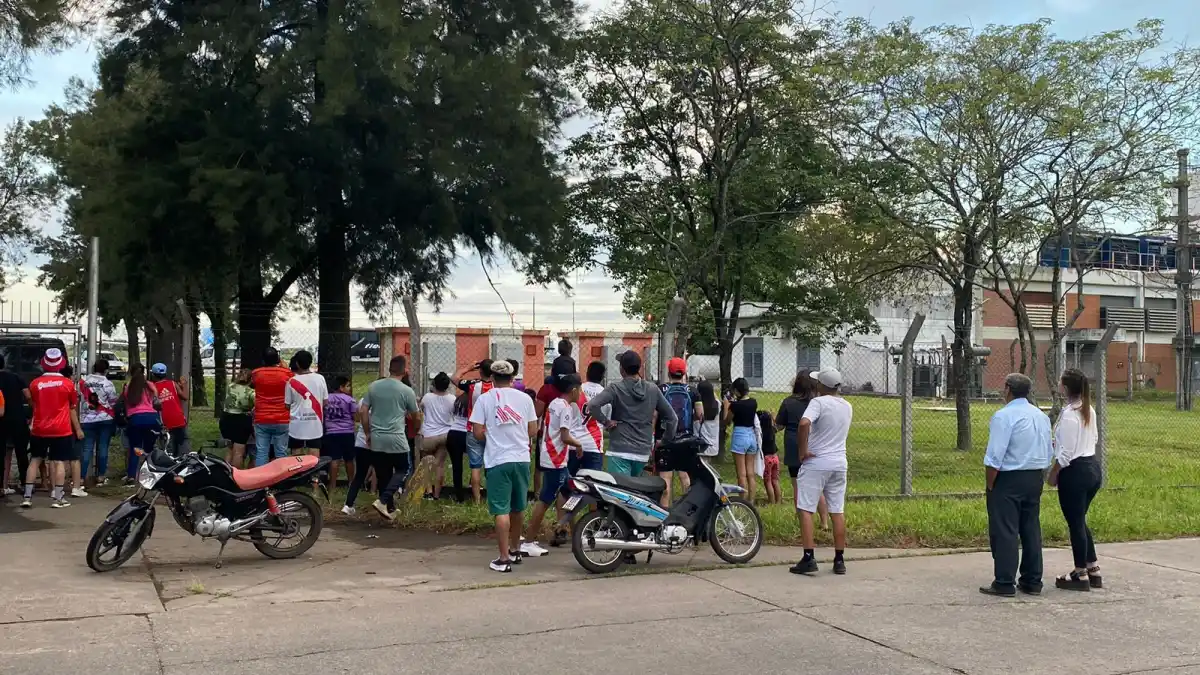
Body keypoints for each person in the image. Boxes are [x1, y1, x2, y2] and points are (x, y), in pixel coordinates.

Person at [979, 372, 1053, 597]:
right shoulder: (1041, 416)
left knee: (1005, 530)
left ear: (1007, 388)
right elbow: (1049, 450)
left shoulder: (1004, 416)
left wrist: (991, 485)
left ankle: (1004, 581)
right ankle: (1032, 580)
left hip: (1009, 478)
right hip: (1034, 476)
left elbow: (994, 455)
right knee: (1030, 528)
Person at [468, 359, 537, 573]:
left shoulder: (484, 399)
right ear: (513, 377)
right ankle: (515, 550)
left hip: (498, 459)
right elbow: (533, 430)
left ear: (491, 378)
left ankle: (503, 557)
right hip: (522, 458)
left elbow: (477, 432)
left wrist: (493, 434)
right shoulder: (525, 398)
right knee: (518, 507)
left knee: (501, 509)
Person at [790, 369, 852, 576]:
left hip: (817, 462)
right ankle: (839, 559)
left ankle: (808, 557)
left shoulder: (818, 403)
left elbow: (804, 423)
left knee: (806, 508)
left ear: (821, 386)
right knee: (837, 510)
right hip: (839, 462)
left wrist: (802, 450)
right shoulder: (847, 405)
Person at [1047, 368, 1103, 591]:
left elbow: (1067, 454)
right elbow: (1094, 438)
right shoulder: (1087, 409)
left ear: (1066, 387)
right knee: (1079, 520)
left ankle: (1080, 574)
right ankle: (1093, 567)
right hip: (1091, 468)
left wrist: (1053, 473)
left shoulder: (1070, 414)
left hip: (1075, 472)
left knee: (1075, 523)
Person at [521, 374, 585, 558]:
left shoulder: (554, 404)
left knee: (570, 494)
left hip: (552, 458)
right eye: (579, 389)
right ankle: (529, 542)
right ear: (573, 390)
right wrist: (578, 445)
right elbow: (565, 436)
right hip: (556, 460)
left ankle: (575, 535)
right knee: (546, 500)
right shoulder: (565, 408)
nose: (580, 393)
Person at [587, 350, 676, 477]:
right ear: (639, 367)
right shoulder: (652, 389)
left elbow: (592, 405)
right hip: (643, 452)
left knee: (620, 492)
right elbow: (672, 418)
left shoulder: (615, 388)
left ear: (622, 369)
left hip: (619, 450)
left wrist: (605, 422)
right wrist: (664, 441)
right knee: (637, 492)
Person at [21, 348, 84, 508]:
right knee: (59, 462)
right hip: (61, 428)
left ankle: (27, 497)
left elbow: (33, 402)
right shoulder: (68, 384)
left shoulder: (35, 383)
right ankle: (58, 498)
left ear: (44, 363)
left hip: (39, 427)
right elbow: (72, 405)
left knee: (35, 460)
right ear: (60, 364)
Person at [361, 356, 422, 520]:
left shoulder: (373, 387)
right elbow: (416, 416)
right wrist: (416, 430)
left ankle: (390, 508)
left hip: (377, 437)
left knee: (383, 474)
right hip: (396, 437)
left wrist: (367, 432)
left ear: (389, 368)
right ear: (404, 370)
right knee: (404, 468)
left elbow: (363, 411)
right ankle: (382, 501)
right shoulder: (406, 390)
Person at [776, 373, 828, 528]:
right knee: (817, 486)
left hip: (793, 445)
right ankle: (824, 522)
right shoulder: (817, 403)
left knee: (797, 486)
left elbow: (779, 425)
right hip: (813, 443)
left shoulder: (788, 402)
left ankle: (803, 522)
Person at [656, 357, 700, 507]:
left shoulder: (661, 389)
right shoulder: (693, 391)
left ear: (669, 372)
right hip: (686, 441)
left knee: (665, 483)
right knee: (685, 479)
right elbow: (700, 414)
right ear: (684, 372)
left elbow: (654, 415)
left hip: (664, 440)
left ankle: (663, 519)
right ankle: (687, 513)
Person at [456, 359, 494, 502]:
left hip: (472, 429)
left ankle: (477, 500)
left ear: (480, 371)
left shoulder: (472, 385)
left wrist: (468, 367)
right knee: (491, 465)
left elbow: (455, 378)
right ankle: (492, 497)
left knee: (475, 466)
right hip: (491, 431)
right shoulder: (497, 387)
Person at [79, 358, 118, 488]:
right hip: (105, 418)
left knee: (87, 449)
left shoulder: (84, 383)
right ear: (106, 370)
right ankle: (101, 476)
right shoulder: (108, 384)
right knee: (103, 448)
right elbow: (113, 401)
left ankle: (81, 478)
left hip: (87, 419)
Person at [250, 348, 292, 466]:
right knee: (281, 452)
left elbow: (253, 384)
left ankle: (261, 482)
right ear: (277, 359)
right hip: (282, 417)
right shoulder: (286, 374)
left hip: (262, 418)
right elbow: (291, 378)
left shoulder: (256, 373)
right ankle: (280, 481)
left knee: (262, 452)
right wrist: (284, 366)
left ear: (263, 360)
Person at [121, 363, 161, 484]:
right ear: (144, 373)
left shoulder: (128, 386)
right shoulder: (149, 385)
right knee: (149, 449)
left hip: (135, 418)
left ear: (131, 373)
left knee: (136, 448)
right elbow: (156, 399)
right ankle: (151, 474)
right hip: (152, 418)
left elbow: (124, 401)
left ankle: (132, 475)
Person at [421, 372, 456, 500]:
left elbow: (421, 408)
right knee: (440, 465)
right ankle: (437, 494)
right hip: (445, 434)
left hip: (429, 434)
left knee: (426, 464)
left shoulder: (427, 397)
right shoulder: (452, 399)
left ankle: (428, 491)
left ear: (434, 384)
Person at [284, 350, 326, 458]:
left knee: (296, 450)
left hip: (297, 423)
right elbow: (325, 401)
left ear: (297, 363)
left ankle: (298, 473)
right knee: (314, 449)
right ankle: (314, 473)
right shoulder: (320, 378)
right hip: (315, 422)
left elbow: (287, 405)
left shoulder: (291, 381)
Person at [0, 353, 31, 497]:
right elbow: (28, 395)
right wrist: (30, 412)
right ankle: (25, 484)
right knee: (21, 452)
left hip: (1, 420)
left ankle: (1, 487)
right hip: (18, 418)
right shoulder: (15, 377)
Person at [723, 378, 759, 499]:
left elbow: (727, 421)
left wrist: (727, 406)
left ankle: (743, 501)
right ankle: (751, 502)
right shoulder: (753, 402)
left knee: (741, 474)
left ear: (737, 391)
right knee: (750, 473)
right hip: (752, 436)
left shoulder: (735, 406)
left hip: (740, 435)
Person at [322, 375, 358, 491]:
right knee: (349, 459)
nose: (349, 388)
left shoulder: (326, 399)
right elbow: (355, 416)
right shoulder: (349, 400)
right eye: (347, 386)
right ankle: (351, 483)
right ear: (341, 387)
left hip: (331, 433)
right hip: (347, 432)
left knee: (334, 459)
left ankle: (332, 485)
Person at [150, 363, 189, 454]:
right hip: (179, 419)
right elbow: (185, 396)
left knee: (168, 448)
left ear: (153, 375)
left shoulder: (152, 387)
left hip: (165, 422)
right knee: (182, 444)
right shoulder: (173, 383)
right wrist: (184, 385)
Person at [60, 365, 86, 497]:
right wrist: (78, 429)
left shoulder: (53, 386)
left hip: (56, 427)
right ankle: (76, 487)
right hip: (69, 427)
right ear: (71, 375)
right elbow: (72, 410)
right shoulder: (70, 388)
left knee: (58, 460)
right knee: (75, 458)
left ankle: (57, 488)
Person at [220, 369, 255, 468]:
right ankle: (236, 476)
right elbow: (258, 406)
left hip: (226, 418)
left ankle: (225, 472)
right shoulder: (251, 392)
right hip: (241, 420)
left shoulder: (230, 387)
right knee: (238, 452)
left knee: (230, 449)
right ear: (251, 379)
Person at [445, 389, 470, 503]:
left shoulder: (459, 400)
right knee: (476, 465)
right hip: (467, 433)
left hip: (453, 433)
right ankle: (474, 487)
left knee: (456, 466)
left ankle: (458, 495)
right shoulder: (474, 400)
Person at [758, 409, 781, 504]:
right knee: (775, 480)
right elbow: (775, 425)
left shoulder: (760, 433)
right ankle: (778, 501)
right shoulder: (772, 430)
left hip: (767, 459)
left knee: (768, 482)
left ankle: (771, 502)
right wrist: (773, 416)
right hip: (775, 458)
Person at [695, 380, 721, 458]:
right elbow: (715, 397)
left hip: (699, 446)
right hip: (713, 447)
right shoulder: (717, 405)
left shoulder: (697, 408)